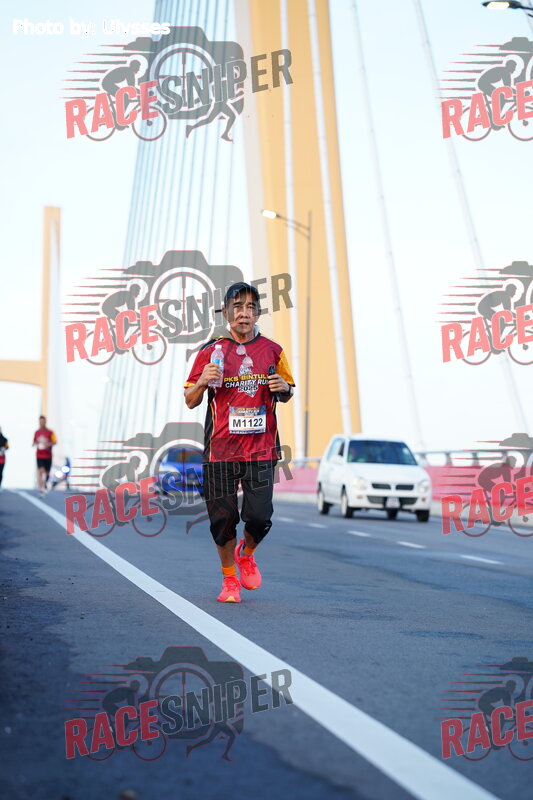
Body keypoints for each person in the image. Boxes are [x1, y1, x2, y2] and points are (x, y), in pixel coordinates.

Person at [184, 282, 295, 603]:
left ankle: (246, 554)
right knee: (222, 521)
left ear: (257, 313)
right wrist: (202, 382)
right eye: (237, 307)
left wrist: (284, 387)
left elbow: (288, 390)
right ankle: (230, 579)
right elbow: (190, 400)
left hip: (261, 449)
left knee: (259, 517)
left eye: (250, 307)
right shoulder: (210, 352)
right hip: (220, 451)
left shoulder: (274, 351)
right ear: (226, 312)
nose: (244, 313)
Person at [33, 416, 57, 496]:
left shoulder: (50, 432)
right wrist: (36, 444)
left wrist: (47, 444)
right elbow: (34, 442)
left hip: (48, 455)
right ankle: (40, 488)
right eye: (40, 422)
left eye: (43, 422)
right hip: (39, 455)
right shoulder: (37, 432)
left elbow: (55, 441)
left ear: (45, 422)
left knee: (47, 473)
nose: (41, 423)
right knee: (40, 471)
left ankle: (45, 484)